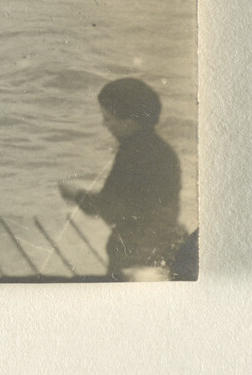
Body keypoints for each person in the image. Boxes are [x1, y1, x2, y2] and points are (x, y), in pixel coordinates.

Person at [58, 77, 188, 279]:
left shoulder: (131, 154)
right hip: (169, 244)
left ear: (129, 121)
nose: (104, 124)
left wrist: (76, 194)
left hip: (137, 253)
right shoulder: (163, 150)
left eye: (108, 119)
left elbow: (110, 209)